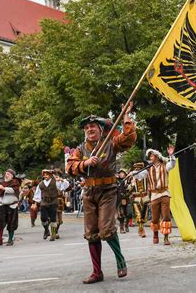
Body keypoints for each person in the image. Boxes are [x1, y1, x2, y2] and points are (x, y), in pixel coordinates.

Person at [66, 103, 137, 284]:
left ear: (99, 129)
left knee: (106, 229)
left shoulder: (111, 143)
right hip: (89, 192)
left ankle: (120, 259)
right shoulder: (80, 149)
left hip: (108, 191)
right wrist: (85, 163)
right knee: (91, 233)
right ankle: (97, 272)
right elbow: (70, 168)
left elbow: (128, 138)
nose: (90, 129)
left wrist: (126, 116)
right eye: (87, 127)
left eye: (93, 126)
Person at [132, 145, 176, 245]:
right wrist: (133, 173)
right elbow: (140, 175)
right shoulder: (148, 169)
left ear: (156, 156)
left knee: (166, 216)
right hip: (155, 195)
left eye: (151, 156)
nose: (150, 158)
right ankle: (155, 235)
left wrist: (171, 155)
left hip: (165, 193)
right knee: (155, 218)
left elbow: (173, 164)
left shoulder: (165, 165)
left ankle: (166, 237)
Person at [32, 170, 69, 241]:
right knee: (43, 218)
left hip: (53, 202)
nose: (45, 176)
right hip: (44, 202)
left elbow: (66, 185)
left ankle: (53, 234)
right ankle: (46, 230)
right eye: (44, 175)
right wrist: (35, 203)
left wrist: (61, 179)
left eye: (47, 175)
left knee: (53, 219)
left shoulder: (56, 182)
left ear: (50, 175)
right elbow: (37, 194)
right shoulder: (41, 184)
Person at [0, 169, 20, 246]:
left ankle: (10, 239)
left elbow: (13, 190)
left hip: (12, 206)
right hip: (2, 206)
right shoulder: (2, 183)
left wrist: (4, 188)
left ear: (12, 176)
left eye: (8, 174)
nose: (6, 175)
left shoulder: (15, 183)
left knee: (11, 223)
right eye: (6, 173)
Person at [130, 162, 150, 238]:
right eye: (136, 168)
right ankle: (141, 229)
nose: (138, 170)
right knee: (138, 214)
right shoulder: (132, 177)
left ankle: (141, 227)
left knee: (144, 214)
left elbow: (150, 185)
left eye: (140, 168)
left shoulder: (146, 176)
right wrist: (131, 185)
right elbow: (128, 188)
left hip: (145, 197)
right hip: (136, 197)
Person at [116, 169, 131, 234]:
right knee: (121, 214)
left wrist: (128, 185)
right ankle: (122, 227)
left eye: (123, 173)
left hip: (127, 199)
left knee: (129, 213)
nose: (121, 174)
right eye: (120, 173)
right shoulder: (117, 181)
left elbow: (132, 189)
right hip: (119, 200)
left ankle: (126, 225)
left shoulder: (128, 181)